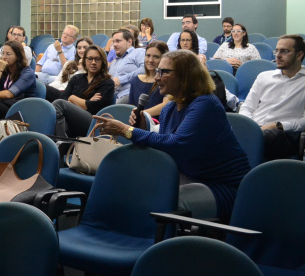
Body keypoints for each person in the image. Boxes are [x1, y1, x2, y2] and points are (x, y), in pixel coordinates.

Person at [94, 50, 250, 221]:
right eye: (158, 72)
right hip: (189, 176)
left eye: (163, 72)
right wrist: (144, 127)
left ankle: (145, 244)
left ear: (185, 76)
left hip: (222, 188)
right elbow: (164, 147)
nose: (156, 77)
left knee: (160, 201)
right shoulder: (170, 108)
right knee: (132, 187)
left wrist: (127, 130)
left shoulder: (206, 104)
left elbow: (177, 145)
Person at [239, 35, 305, 160]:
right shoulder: (264, 76)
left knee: (268, 135)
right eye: (277, 50)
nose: (278, 55)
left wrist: (278, 125)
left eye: (284, 51)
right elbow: (247, 107)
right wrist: (249, 125)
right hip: (255, 129)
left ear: (299, 55)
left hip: (284, 135)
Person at [52, 45, 115, 137]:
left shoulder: (107, 83)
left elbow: (94, 107)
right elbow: (64, 98)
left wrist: (72, 98)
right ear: (84, 61)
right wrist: (85, 103)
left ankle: (62, 140)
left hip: (94, 121)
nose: (93, 62)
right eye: (90, 59)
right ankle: (60, 141)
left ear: (103, 62)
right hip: (73, 119)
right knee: (58, 112)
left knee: (59, 104)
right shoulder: (77, 78)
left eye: (97, 59)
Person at [0, 40, 36, 121]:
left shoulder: (27, 73)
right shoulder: (6, 70)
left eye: (8, 54)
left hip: (22, 110)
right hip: (6, 104)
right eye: (3, 53)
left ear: (18, 56)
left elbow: (9, 94)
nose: (4, 57)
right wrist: (0, 70)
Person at [127, 40, 171, 121]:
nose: (150, 60)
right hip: (138, 123)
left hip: (158, 124)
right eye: (148, 55)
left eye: (156, 57)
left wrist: (142, 114)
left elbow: (166, 105)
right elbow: (132, 107)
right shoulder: (136, 80)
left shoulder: (167, 80)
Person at [45, 36, 93, 101]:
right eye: (79, 48)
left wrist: (85, 64)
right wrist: (50, 89)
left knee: (40, 87)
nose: (82, 50)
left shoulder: (92, 68)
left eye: (85, 47)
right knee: (41, 89)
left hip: (70, 96)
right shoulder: (69, 64)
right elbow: (58, 81)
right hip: (59, 91)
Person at [108, 28, 145, 104]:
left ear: (129, 41)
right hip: (115, 96)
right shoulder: (114, 62)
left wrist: (121, 80)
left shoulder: (138, 52)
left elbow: (145, 69)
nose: (114, 45)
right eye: (113, 42)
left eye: (118, 41)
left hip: (130, 93)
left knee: (112, 110)